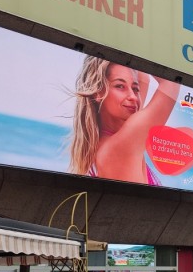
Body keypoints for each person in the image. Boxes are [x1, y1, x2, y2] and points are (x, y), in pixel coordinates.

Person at [69, 55, 180, 185]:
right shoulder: (122, 146)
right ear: (98, 92)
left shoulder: (106, 142)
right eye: (120, 86)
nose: (133, 97)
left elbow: (143, 78)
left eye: (135, 88)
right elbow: (171, 82)